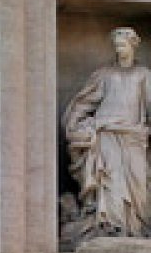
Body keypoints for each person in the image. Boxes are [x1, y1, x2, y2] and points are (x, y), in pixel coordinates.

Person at [63, 27, 151, 237]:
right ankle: (111, 226)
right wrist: (74, 123)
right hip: (106, 133)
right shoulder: (104, 75)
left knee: (138, 183)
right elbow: (84, 102)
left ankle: (135, 229)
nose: (119, 49)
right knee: (110, 180)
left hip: (134, 136)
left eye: (123, 45)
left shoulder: (144, 75)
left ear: (133, 46)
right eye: (117, 46)